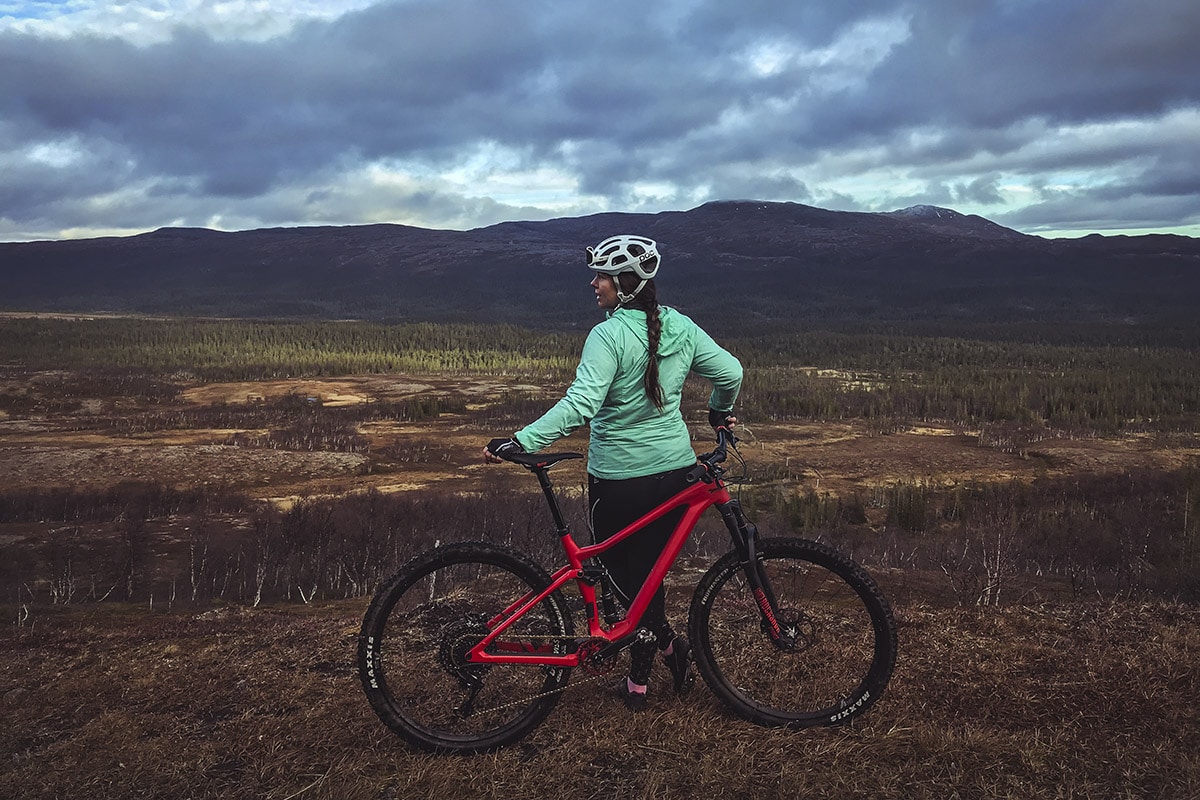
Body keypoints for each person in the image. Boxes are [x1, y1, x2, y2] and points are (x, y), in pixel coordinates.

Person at [482, 234, 742, 711]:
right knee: (647, 579)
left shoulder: (608, 335)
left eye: (601, 275)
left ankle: (653, 666)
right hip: (675, 475)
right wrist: (718, 415)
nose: (593, 283)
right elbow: (730, 373)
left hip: (619, 481)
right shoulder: (679, 326)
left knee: (628, 584)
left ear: (624, 283)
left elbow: (582, 404)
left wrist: (523, 442)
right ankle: (646, 676)